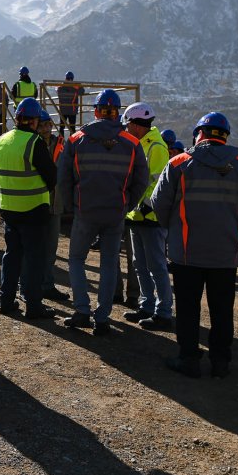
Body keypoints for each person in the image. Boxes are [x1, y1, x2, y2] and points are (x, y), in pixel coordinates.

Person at [149, 112, 238, 379]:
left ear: (198, 134)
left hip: (187, 252)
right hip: (225, 253)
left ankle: (189, 359)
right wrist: (236, 226)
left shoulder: (179, 163)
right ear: (225, 136)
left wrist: (175, 228)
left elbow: (159, 202)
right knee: (222, 310)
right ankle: (220, 362)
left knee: (189, 308)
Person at [57, 89, 148, 334]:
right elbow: (141, 180)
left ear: (95, 111)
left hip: (84, 211)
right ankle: (103, 318)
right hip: (115, 212)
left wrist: (72, 206)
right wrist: (126, 204)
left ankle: (82, 311)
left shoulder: (77, 139)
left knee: (76, 259)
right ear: (117, 113)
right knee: (109, 263)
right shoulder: (131, 142)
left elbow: (63, 177)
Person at [0, 97, 58, 319]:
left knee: (12, 256)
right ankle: (33, 305)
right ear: (34, 121)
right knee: (34, 258)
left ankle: (6, 300)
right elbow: (52, 176)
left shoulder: (0, 141)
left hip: (9, 209)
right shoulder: (35, 143)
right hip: (33, 209)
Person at [120, 102, 174, 330]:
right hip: (136, 214)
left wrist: (146, 206)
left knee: (156, 266)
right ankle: (146, 306)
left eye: (128, 125)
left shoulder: (156, 146)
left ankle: (163, 312)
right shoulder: (139, 143)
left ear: (135, 124)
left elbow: (158, 183)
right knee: (139, 265)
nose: (126, 129)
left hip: (150, 216)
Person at [37, 112, 70, 302]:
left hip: (55, 202)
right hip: (37, 202)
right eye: (42, 125)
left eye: (48, 125)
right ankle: (31, 284)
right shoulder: (32, 144)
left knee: (50, 248)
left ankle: (47, 285)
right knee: (35, 248)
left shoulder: (60, 144)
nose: (46, 129)